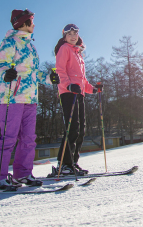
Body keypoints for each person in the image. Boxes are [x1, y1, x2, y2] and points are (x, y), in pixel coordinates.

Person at [0, 9, 60, 192]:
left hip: (31, 98)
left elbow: (34, 73)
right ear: (23, 23)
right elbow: (0, 66)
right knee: (8, 138)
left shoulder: (31, 46)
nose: (34, 24)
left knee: (29, 138)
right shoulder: (9, 42)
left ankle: (22, 173)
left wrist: (49, 78)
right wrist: (6, 74)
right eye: (32, 21)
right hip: (11, 97)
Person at [52, 23, 99, 176]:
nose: (73, 36)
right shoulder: (64, 49)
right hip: (67, 93)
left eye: (75, 34)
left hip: (78, 93)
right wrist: (69, 86)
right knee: (72, 128)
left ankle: (73, 162)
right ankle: (64, 164)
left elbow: (82, 80)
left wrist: (93, 89)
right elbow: (60, 71)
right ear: (64, 36)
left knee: (80, 129)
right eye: (69, 34)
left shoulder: (78, 53)